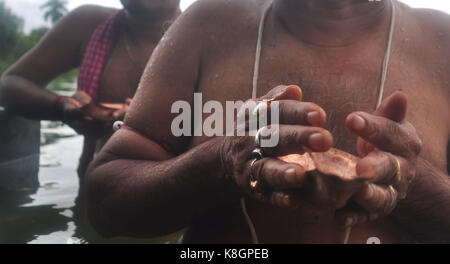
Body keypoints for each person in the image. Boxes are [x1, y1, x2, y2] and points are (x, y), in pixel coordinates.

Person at [86, 0, 450, 243]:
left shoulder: (442, 40)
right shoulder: (207, 22)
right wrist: (224, 160)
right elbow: (104, 204)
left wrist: (410, 180)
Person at [0, 0, 182, 179]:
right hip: (95, 191)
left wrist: (146, 121)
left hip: (171, 193)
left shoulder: (204, 39)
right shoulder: (88, 25)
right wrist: (62, 107)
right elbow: (8, 84)